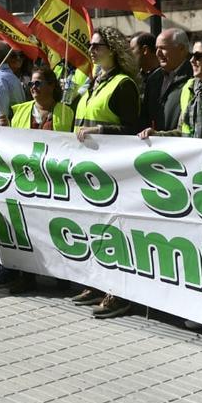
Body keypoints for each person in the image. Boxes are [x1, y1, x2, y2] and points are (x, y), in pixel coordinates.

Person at [72, 26, 142, 318]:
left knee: (116, 231)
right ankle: (98, 283)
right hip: (90, 171)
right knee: (95, 229)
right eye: (90, 45)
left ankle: (120, 293)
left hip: (114, 173)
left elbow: (132, 129)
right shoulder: (94, 82)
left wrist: (100, 130)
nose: (91, 50)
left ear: (112, 49)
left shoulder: (123, 84)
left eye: (97, 45)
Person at [0, 67, 75, 293]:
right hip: (25, 181)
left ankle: (62, 277)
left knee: (55, 229)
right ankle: (26, 276)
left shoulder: (66, 112)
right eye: (31, 84)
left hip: (54, 181)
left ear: (51, 86)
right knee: (27, 228)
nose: (33, 88)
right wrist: (5, 129)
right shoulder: (20, 110)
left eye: (38, 84)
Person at [139, 37, 202, 139]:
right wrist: (156, 135)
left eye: (197, 56)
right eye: (192, 55)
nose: (192, 60)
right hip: (192, 153)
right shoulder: (189, 87)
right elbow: (182, 132)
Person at [140, 28, 192, 134]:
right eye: (156, 48)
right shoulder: (153, 78)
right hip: (155, 145)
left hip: (181, 144)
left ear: (181, 49)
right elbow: (145, 116)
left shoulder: (193, 77)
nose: (158, 53)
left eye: (163, 48)